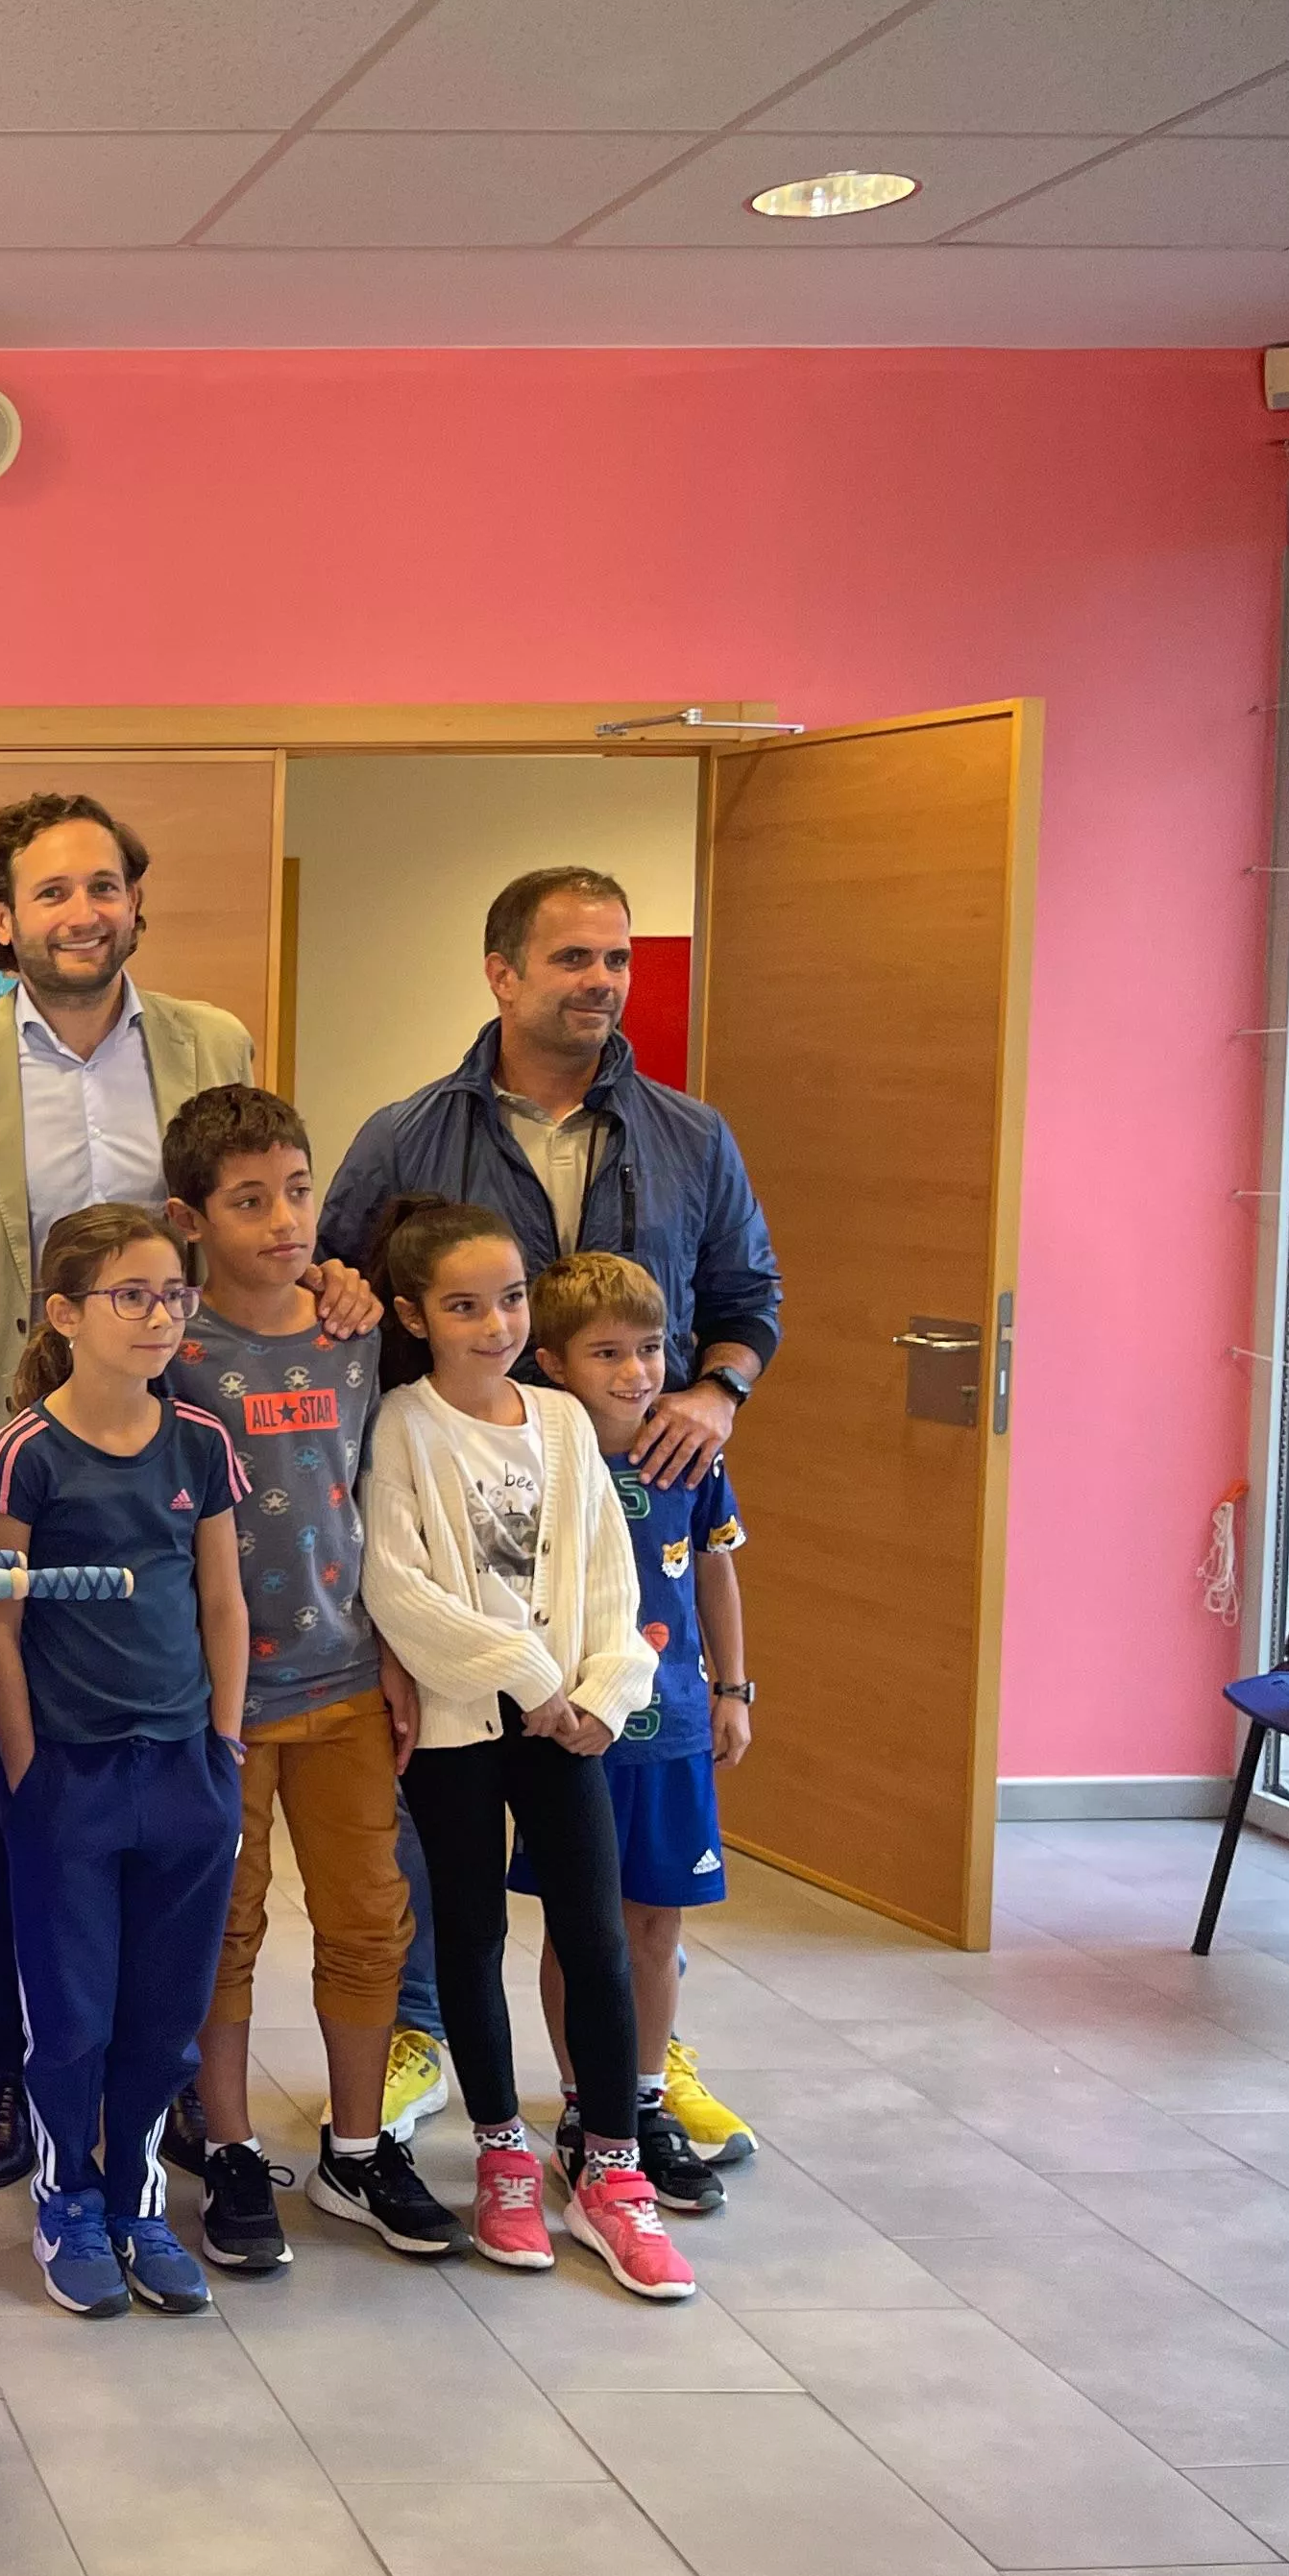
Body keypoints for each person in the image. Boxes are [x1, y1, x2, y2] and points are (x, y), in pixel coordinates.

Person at [0, 792, 364, 2194]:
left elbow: (254, 1214)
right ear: (2, 921)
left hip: (182, 1484)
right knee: (21, 1796)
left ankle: (148, 2081)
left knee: (171, 1786)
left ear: (133, 903)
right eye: (50, 894)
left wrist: (327, 1272)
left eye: (104, 886)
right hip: (7, 1491)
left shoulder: (210, 1043)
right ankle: (15, 2072)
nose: (83, 913)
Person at [320, 865, 783, 2141]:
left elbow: (749, 1303)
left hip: (615, 1526)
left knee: (615, 1830)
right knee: (441, 1814)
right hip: (452, 1528)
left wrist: (720, 1395)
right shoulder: (409, 1135)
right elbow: (343, 1297)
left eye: (616, 960)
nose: (600, 983)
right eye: (572, 959)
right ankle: (424, 2038)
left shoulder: (693, 1136)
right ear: (502, 973)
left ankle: (633, 2065)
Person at [145, 1085, 458, 2272]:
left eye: (297, 1190)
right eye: (247, 1201)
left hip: (345, 1682)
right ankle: (226, 2146)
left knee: (369, 1921)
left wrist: (397, 1653)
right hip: (220, 1699)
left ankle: (360, 2145)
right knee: (222, 1929)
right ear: (190, 1218)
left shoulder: (357, 1332)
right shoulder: (173, 1350)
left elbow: (386, 1494)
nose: (284, 1220)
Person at [358, 1196, 693, 2301]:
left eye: (508, 1299)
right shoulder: (402, 1426)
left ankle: (610, 2167)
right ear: (417, 1315)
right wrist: (536, 1682)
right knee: (469, 1932)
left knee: (593, 1936)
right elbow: (398, 1588)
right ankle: (499, 2146)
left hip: (572, 1731)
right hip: (462, 1731)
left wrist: (601, 1694)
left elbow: (610, 1573)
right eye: (465, 1306)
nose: (495, 1324)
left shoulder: (556, 1422)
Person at [0, 1204, 249, 2321]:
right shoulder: (27, 1450)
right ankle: (67, 2199)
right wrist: (27, 1768)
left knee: (160, 2014)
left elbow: (222, 1600)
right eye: (129, 1295)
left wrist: (223, 1742)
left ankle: (134, 2197)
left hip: (186, 1770)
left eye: (173, 1294)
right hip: (70, 1778)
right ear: (67, 1315)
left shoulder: (203, 1441)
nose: (158, 1316)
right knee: (71, 2013)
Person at [521, 1252, 759, 2190]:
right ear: (551, 1361)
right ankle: (588, 2109)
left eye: (651, 1349)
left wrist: (735, 1689)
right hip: (576, 1734)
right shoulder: (535, 1454)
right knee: (581, 1929)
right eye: (606, 1353)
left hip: (678, 1729)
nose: (635, 1372)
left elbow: (715, 1569)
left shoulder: (693, 1451)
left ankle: (647, 2101)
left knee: (657, 1926)